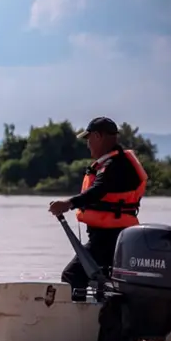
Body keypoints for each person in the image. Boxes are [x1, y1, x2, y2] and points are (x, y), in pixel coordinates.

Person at [48, 116, 149, 300]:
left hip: (108, 238)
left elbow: (97, 190)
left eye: (89, 139)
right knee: (103, 280)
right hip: (119, 237)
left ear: (98, 136)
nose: (88, 145)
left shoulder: (113, 165)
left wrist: (68, 204)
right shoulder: (118, 162)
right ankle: (104, 317)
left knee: (72, 276)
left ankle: (76, 323)